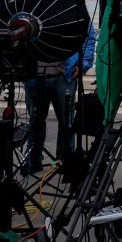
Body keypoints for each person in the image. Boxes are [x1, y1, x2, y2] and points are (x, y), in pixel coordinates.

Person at [23, 20, 96, 174]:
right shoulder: (31, 4)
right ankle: (33, 161)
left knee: (67, 122)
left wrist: (84, 64)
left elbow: (88, 35)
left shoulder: (70, 3)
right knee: (34, 122)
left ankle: (65, 161)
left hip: (64, 76)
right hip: (34, 77)